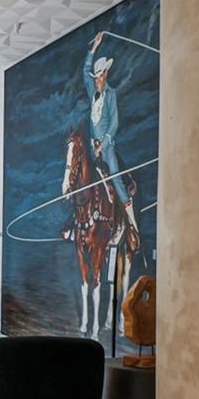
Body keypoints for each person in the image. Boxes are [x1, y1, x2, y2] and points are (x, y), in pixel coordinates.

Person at [83, 31, 140, 247]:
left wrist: (103, 145)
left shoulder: (111, 94)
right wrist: (94, 48)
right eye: (96, 77)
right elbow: (84, 70)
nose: (97, 80)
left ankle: (132, 226)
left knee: (116, 179)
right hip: (92, 147)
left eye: (100, 76)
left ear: (105, 75)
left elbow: (114, 124)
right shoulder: (92, 92)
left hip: (106, 148)